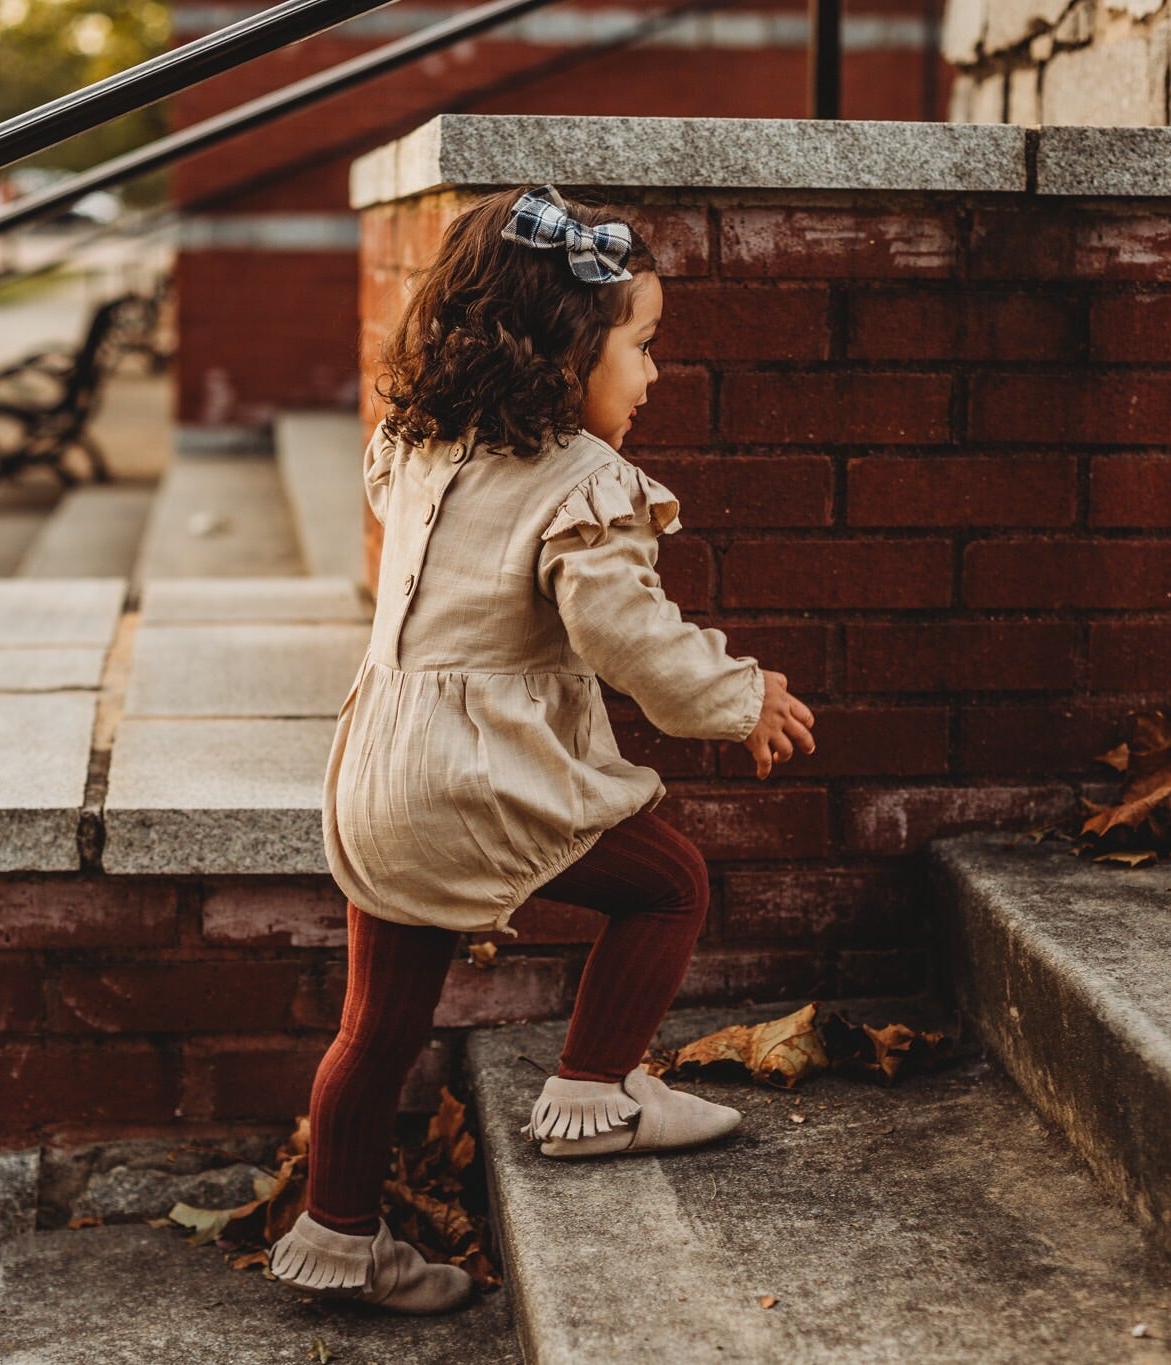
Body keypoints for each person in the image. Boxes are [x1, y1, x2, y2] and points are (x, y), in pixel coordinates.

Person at [266, 185, 817, 1313]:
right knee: (668, 884)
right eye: (642, 347)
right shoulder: (583, 488)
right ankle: (595, 1091)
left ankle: (336, 1236)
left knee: (375, 1028)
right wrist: (740, 694)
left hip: (379, 773)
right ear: (569, 352)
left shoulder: (414, 444)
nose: (654, 375)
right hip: (479, 774)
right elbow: (630, 637)